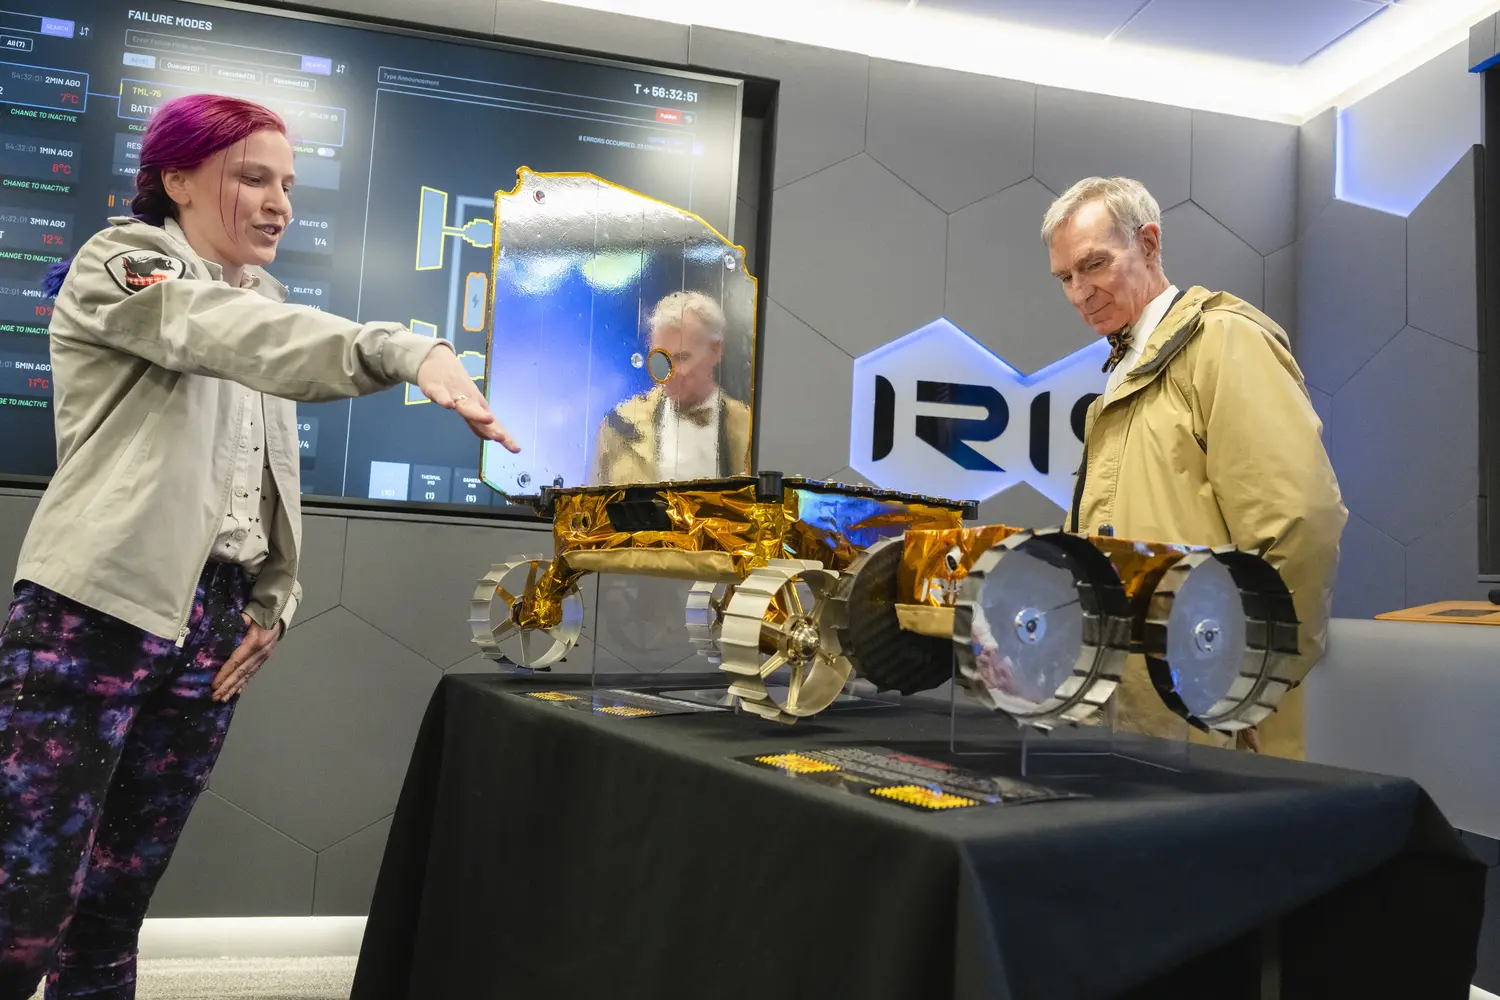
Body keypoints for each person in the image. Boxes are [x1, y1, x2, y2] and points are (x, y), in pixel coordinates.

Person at [0, 94, 519, 1000]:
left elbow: (266, 472)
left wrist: (272, 603)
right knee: (22, 901)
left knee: (117, 908)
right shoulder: (120, 263)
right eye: (253, 178)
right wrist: (400, 349)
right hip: (92, 613)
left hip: (213, 627)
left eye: (289, 183)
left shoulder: (267, 300)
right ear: (177, 180)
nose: (281, 202)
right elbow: (216, 331)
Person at [1040, 176, 1346, 759]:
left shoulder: (1223, 342)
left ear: (1149, 244)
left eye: (1094, 265)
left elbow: (1299, 521)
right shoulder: (1133, 363)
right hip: (1139, 709)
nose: (1080, 292)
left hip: (1211, 709)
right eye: (1066, 277)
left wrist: (1253, 678)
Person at [589, 291, 750, 484]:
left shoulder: (749, 430)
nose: (669, 374)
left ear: (715, 350)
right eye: (661, 360)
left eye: (681, 357)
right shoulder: (620, 426)